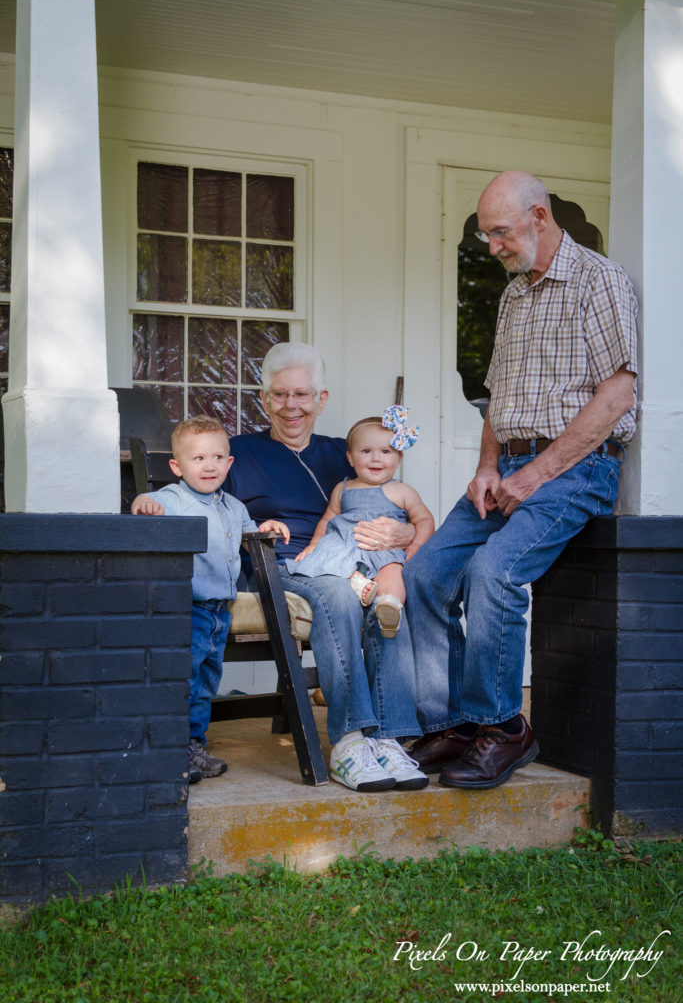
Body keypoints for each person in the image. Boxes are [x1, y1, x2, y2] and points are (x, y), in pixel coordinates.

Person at [404, 170, 638, 790]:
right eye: (486, 235)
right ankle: (451, 723)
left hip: (577, 470)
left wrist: (535, 472)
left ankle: (504, 728)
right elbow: (499, 398)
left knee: (494, 572)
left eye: (499, 232)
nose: (492, 247)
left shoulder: (599, 281)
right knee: (425, 572)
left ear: (538, 217)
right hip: (506, 465)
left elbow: (618, 393)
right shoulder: (513, 295)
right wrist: (488, 466)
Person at [225, 342, 429, 792]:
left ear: (322, 400)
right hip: (284, 562)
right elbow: (208, 508)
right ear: (263, 399)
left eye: (301, 394)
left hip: (359, 560)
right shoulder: (238, 453)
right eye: (279, 394)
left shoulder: (347, 451)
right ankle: (351, 742)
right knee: (339, 592)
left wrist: (406, 536)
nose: (290, 406)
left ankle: (391, 736)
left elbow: (405, 507)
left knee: (390, 597)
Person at [131, 415, 289, 783]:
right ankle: (172, 747)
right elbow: (144, 500)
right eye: (198, 458)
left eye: (217, 458)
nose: (209, 466)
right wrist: (143, 503)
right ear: (177, 466)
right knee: (182, 677)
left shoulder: (234, 506)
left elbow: (249, 533)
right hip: (188, 608)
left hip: (221, 610)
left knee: (206, 680)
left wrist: (264, 528)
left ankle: (193, 744)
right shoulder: (172, 498)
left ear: (228, 463)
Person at [287, 407, 434, 638]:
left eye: (386, 451)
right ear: (350, 458)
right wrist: (314, 545)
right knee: (331, 570)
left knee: (392, 573)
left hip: (380, 552)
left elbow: (424, 519)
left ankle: (389, 606)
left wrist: (416, 545)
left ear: (399, 457)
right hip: (344, 547)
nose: (376, 458)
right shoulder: (343, 488)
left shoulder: (402, 491)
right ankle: (360, 584)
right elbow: (328, 519)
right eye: (366, 451)